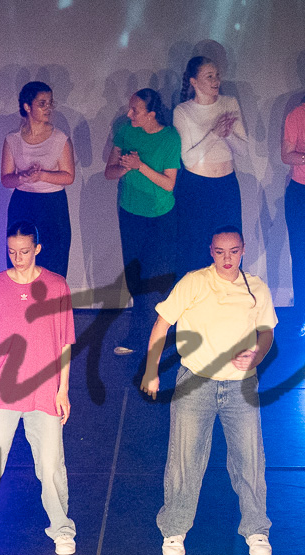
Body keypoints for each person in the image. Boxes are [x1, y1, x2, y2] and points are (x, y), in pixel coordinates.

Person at [140, 227, 276, 555]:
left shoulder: (256, 287)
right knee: (184, 461)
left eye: (233, 251)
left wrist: (257, 355)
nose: (227, 258)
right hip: (196, 382)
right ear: (211, 251)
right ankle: (174, 529)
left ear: (243, 250)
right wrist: (151, 370)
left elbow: (267, 332)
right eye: (220, 252)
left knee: (250, 460)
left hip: (241, 386)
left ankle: (256, 529)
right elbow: (162, 324)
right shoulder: (194, 282)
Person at [0, 221, 76, 555]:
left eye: (24, 251)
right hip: (1, 390)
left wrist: (63, 389)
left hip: (44, 389)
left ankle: (62, 528)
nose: (18, 258)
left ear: (37, 249)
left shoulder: (56, 285)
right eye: (12, 252)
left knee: (50, 465)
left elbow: (65, 342)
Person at [104, 88, 182, 356]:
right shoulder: (126, 131)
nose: (129, 114)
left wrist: (140, 166)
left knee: (157, 281)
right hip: (131, 214)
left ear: (151, 114)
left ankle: (160, 339)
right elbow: (109, 172)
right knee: (135, 279)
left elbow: (169, 184)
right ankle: (137, 337)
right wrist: (125, 167)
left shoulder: (169, 137)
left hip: (161, 218)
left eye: (135, 110)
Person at [172, 56, 248, 276]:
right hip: (196, 187)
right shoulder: (183, 111)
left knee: (230, 246)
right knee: (195, 246)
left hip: (226, 186)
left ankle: (230, 294)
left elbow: (243, 149)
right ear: (194, 81)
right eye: (209, 76)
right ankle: (195, 296)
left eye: (217, 75)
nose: (216, 81)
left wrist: (227, 134)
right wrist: (215, 133)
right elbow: (188, 159)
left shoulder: (229, 103)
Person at [1, 82, 75, 278]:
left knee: (53, 261)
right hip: (23, 204)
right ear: (27, 106)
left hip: (52, 205)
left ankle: (52, 299)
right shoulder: (13, 139)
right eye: (42, 103)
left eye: (50, 103)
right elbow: (6, 179)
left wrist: (41, 175)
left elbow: (69, 176)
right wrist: (22, 177)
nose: (48, 108)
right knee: (21, 261)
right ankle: (22, 298)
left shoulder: (60, 138)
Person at [282, 63, 305, 335]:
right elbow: (286, 155)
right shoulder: (298, 115)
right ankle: (304, 315)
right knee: (303, 258)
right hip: (303, 194)